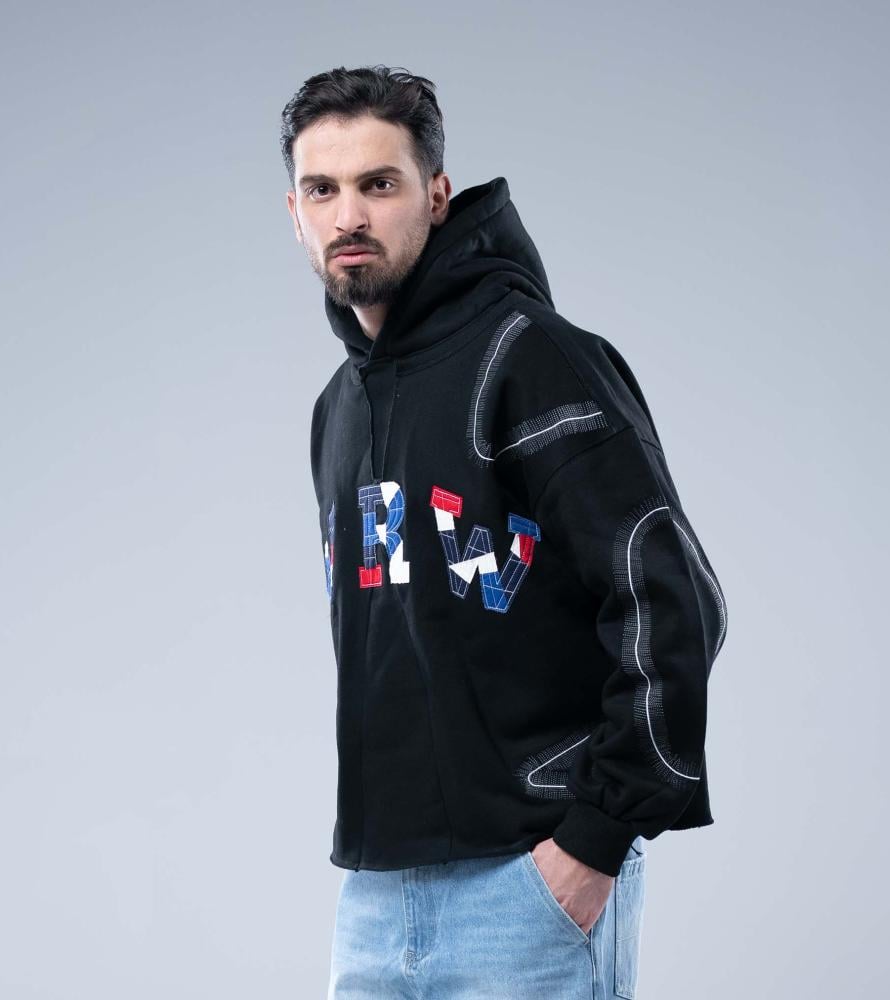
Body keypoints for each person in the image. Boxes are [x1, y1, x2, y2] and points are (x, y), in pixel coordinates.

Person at [281, 64, 729, 999]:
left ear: (436, 195)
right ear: (295, 211)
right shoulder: (338, 408)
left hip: (527, 893)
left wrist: (593, 844)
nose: (348, 216)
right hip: (372, 899)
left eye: (378, 183)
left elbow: (672, 601)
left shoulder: (530, 357)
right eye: (322, 190)